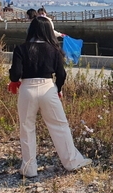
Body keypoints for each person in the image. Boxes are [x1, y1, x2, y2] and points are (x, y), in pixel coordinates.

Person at [8, 17, 91, 178]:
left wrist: (13, 81)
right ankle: (71, 162)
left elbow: (16, 73)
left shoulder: (21, 48)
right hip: (48, 87)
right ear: (48, 30)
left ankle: (29, 168)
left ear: (31, 30)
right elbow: (61, 74)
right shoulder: (53, 49)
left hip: (27, 88)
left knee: (26, 127)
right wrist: (58, 88)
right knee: (59, 125)